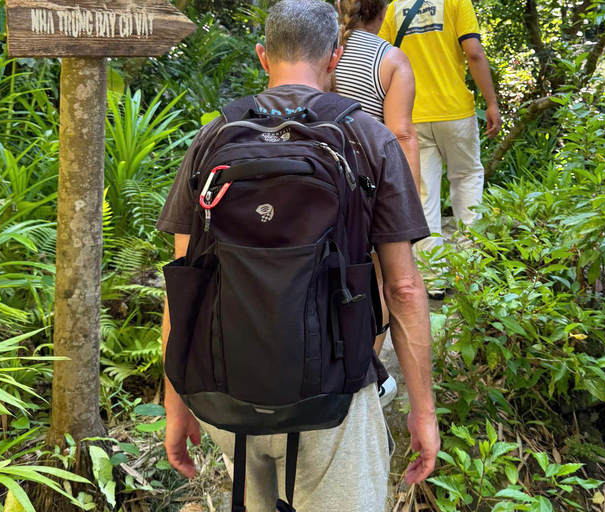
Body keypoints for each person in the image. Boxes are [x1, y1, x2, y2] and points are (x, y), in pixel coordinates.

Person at [156, 1, 440, 511]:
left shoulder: (212, 138)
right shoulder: (368, 139)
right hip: (332, 400)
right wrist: (424, 411)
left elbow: (183, 284)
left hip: (226, 393)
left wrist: (175, 402)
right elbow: (402, 288)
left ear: (263, 56)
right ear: (335, 55)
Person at [379, 0, 503, 298]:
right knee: (467, 178)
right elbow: (473, 52)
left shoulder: (394, 7)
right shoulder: (456, 1)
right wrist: (491, 101)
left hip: (412, 114)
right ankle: (470, 269)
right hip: (455, 112)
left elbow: (383, 59)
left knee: (423, 193)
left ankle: (433, 278)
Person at [335, 0, 421, 407]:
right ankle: (368, 369)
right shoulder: (390, 59)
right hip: (369, 184)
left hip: (319, 184)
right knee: (381, 277)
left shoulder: (326, 46)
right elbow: (401, 133)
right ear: (384, 10)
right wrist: (411, 191)